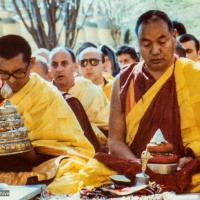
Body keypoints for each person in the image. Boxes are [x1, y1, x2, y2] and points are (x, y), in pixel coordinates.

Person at [69, 10, 200, 194]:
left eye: (162, 42)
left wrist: (194, 157)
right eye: (146, 44)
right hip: (135, 169)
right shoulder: (124, 80)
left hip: (184, 170)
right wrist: (140, 168)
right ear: (137, 45)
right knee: (92, 173)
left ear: (174, 36)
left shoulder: (195, 75)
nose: (155, 50)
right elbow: (115, 141)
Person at [0, 34, 95, 194]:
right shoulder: (3, 88)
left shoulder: (45, 95)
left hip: (39, 164)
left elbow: (62, 150)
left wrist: (21, 145)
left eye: (18, 73)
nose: (11, 81)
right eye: (3, 73)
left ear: (31, 64)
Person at [50, 46, 110, 145]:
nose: (59, 69)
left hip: (89, 149)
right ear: (49, 68)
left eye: (64, 63)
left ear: (75, 66)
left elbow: (106, 128)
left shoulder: (91, 91)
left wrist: (77, 128)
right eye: (54, 65)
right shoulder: (45, 93)